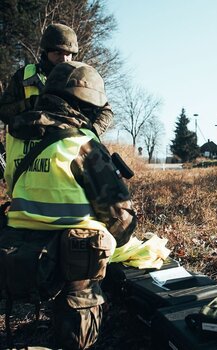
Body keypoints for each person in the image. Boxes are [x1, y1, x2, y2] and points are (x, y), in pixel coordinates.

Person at [0, 61, 136, 349]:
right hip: (71, 259)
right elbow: (120, 219)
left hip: (21, 253)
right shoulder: (82, 142)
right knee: (90, 247)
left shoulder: (15, 136)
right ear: (84, 103)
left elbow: (13, 187)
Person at [0, 23, 113, 136]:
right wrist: (32, 103)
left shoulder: (82, 77)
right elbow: (3, 111)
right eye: (58, 53)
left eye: (68, 54)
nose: (64, 59)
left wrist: (93, 132)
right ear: (46, 52)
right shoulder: (24, 76)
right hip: (26, 150)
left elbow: (105, 111)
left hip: (69, 149)